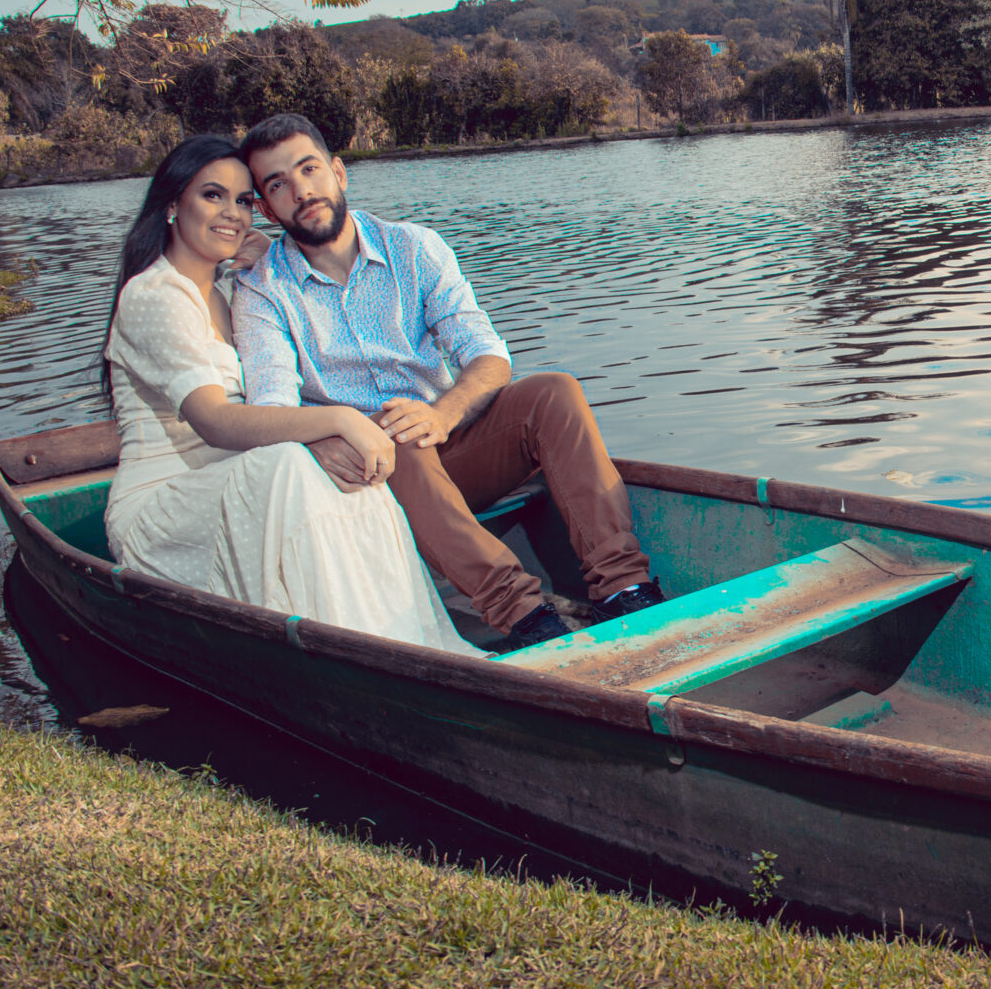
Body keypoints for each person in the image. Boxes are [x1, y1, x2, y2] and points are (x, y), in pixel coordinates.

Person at [230, 113, 665, 649]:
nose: (301, 190)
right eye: (277, 184)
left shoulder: (414, 248)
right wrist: (328, 435)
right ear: (268, 209)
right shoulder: (262, 291)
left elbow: (487, 355)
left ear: (338, 173)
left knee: (554, 391)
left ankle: (626, 589)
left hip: (451, 444)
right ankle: (526, 616)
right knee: (393, 437)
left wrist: (443, 413)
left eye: (309, 169)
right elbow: (271, 405)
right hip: (371, 480)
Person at [102, 135, 480, 657]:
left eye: (242, 201)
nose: (232, 214)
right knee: (296, 466)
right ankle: (358, 654)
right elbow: (214, 422)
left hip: (235, 477)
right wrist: (340, 420)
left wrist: (255, 263)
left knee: (346, 473)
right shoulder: (152, 296)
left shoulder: (226, 290)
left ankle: (400, 644)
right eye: (213, 196)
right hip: (165, 511)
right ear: (171, 205)